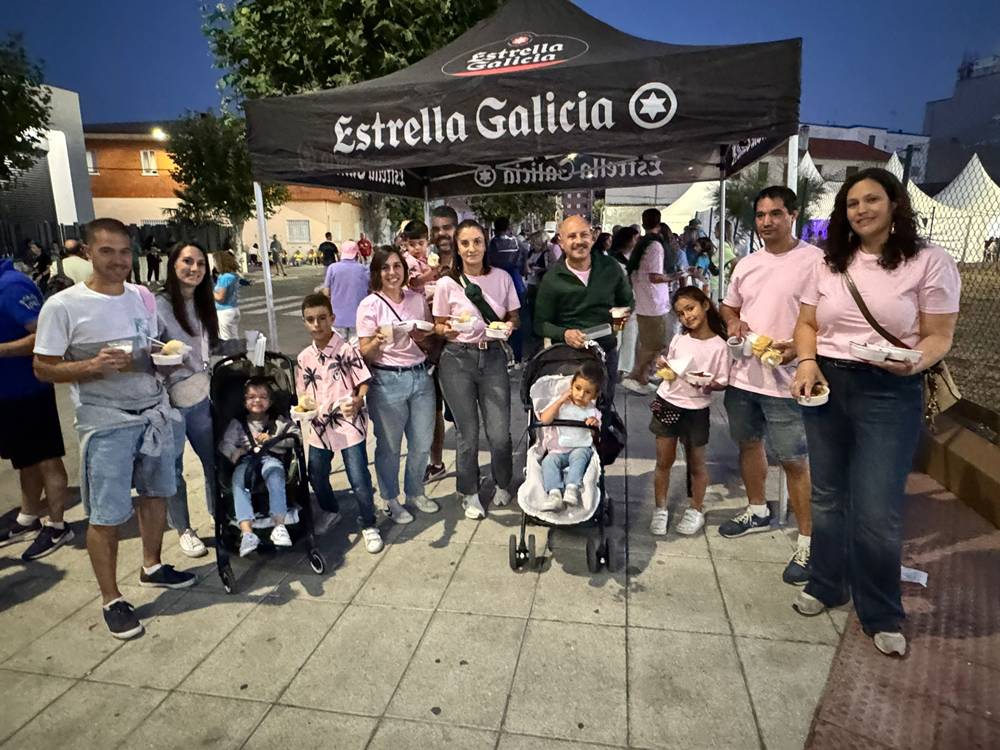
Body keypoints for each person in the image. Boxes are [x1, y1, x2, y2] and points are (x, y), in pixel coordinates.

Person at [791, 168, 961, 656]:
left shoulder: (928, 262)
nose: (861, 210)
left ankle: (881, 611)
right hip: (827, 384)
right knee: (827, 495)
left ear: (894, 204)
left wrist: (914, 362)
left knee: (876, 508)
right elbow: (806, 323)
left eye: (871, 200)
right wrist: (806, 361)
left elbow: (938, 335)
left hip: (890, 389)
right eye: (852, 203)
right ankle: (827, 584)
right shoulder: (829, 263)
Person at [33, 218, 195, 640]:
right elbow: (42, 368)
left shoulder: (141, 296)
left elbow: (148, 350)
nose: (118, 260)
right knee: (106, 515)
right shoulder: (64, 306)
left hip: (153, 411)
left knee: (157, 495)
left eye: (125, 251)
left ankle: (152, 566)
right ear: (88, 252)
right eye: (107, 251)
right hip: (105, 422)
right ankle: (111, 599)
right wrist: (90, 365)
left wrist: (166, 362)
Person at [719, 186, 823, 586]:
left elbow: (826, 318)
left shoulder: (816, 262)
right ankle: (757, 509)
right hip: (745, 375)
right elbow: (729, 305)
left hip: (789, 379)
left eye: (775, 214)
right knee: (748, 444)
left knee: (794, 460)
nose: (766, 222)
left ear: (792, 215)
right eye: (761, 215)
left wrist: (800, 350)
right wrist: (733, 321)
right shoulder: (747, 264)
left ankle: (808, 542)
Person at [432, 219, 519, 519]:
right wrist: (446, 330)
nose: (471, 249)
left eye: (477, 242)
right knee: (467, 433)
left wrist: (508, 327)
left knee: (499, 433)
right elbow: (439, 324)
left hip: (493, 356)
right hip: (457, 360)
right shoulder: (446, 283)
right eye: (465, 243)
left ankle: (503, 482)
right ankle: (468, 492)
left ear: (485, 243)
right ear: (457, 248)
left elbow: (514, 316)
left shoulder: (502, 277)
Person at [357, 248, 439, 525]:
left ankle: (415, 492)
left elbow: (429, 337)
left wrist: (423, 337)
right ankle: (390, 499)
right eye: (385, 268)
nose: (392, 273)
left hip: (420, 376)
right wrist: (378, 341)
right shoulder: (369, 305)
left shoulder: (417, 299)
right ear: (377, 273)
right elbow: (365, 353)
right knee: (390, 446)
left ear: (405, 269)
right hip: (387, 381)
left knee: (422, 442)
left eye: (397, 266)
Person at [296, 293, 382, 551]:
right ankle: (330, 510)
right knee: (316, 473)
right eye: (311, 319)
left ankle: (369, 522)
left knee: (358, 477)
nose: (317, 324)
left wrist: (358, 400)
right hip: (319, 426)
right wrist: (303, 410)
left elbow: (363, 380)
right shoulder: (304, 358)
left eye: (322, 318)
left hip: (347, 423)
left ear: (332, 318)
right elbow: (303, 394)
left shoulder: (346, 350)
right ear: (304, 322)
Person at [0, 256, 73, 559]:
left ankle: (57, 525)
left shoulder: (11, 286)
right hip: (7, 394)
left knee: (46, 458)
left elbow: (44, 337)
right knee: (25, 459)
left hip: (29, 390)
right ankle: (27, 518)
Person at [649, 287, 731, 536]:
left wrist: (707, 383)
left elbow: (722, 381)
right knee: (664, 460)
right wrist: (663, 365)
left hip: (697, 409)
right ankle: (660, 508)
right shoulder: (679, 339)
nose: (687, 316)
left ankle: (695, 509)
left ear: (705, 305)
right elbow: (670, 368)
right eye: (681, 313)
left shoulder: (720, 346)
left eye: (690, 308)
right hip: (667, 402)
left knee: (697, 463)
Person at [157, 242, 219, 558]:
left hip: (200, 395)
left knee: (213, 461)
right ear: (173, 264)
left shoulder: (203, 302)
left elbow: (208, 348)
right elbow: (149, 351)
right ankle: (183, 528)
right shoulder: (158, 305)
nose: (194, 268)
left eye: (200, 264)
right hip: (169, 401)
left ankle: (219, 516)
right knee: (173, 469)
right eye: (187, 261)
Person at [534, 215, 633, 401]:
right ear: (561, 242)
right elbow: (540, 324)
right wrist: (565, 334)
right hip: (569, 357)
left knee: (604, 406)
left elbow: (627, 301)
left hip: (606, 350)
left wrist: (623, 313)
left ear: (593, 237)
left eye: (584, 235)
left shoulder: (610, 267)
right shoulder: (552, 278)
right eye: (572, 236)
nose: (579, 241)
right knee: (572, 409)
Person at [219, 377, 299, 557]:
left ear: (270, 402)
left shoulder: (278, 421)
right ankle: (247, 532)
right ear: (244, 402)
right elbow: (225, 444)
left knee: (275, 475)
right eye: (252, 397)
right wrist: (234, 452)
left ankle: (279, 525)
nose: (257, 401)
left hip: (271, 457)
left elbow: (295, 437)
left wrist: (274, 440)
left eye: (263, 397)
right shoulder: (238, 423)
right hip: (246, 460)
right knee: (238, 480)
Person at [536, 361, 603, 512]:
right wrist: (560, 401)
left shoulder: (593, 412)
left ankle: (572, 488)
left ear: (594, 396)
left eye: (587, 392)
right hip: (557, 450)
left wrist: (593, 425)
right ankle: (554, 493)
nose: (581, 395)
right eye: (578, 388)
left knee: (579, 455)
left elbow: (595, 437)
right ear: (571, 386)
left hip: (579, 448)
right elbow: (545, 420)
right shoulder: (561, 405)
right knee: (548, 462)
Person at [622, 209, 675, 394]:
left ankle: (643, 377)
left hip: (646, 301)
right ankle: (635, 376)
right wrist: (675, 276)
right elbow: (655, 276)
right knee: (653, 345)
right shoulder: (655, 246)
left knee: (649, 343)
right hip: (654, 303)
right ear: (659, 224)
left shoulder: (641, 244)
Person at [425, 205, 459, 482]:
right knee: (433, 409)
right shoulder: (423, 263)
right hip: (431, 348)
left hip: (460, 347)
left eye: (447, 227)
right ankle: (436, 463)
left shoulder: (468, 260)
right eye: (436, 228)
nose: (441, 233)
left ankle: (467, 464)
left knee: (462, 412)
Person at [608, 226, 641, 377]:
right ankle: (612, 366)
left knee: (631, 336)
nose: (637, 241)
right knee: (618, 337)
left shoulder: (635, 258)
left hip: (632, 301)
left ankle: (625, 369)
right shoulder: (614, 260)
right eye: (635, 238)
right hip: (618, 304)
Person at [321, 240, 369, 341]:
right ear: (357, 254)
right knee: (355, 349)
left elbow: (326, 292)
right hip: (358, 319)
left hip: (337, 318)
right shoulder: (364, 269)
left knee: (338, 348)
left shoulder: (332, 268)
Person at [214, 251, 251, 340]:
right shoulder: (233, 275)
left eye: (215, 262)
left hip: (224, 311)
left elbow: (220, 298)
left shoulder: (224, 278)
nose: (215, 265)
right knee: (234, 337)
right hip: (234, 309)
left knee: (225, 339)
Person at [402, 220, 435, 293]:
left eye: (421, 243)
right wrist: (433, 271)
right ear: (405, 244)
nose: (417, 248)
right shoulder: (409, 261)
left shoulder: (425, 259)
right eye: (412, 244)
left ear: (427, 242)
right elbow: (415, 282)